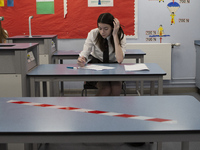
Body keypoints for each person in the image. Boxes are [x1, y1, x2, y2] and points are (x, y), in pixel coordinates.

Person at [77, 12, 126, 96]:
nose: (102, 32)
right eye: (100, 28)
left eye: (106, 28)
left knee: (116, 87)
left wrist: (114, 35)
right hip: (97, 65)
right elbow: (85, 52)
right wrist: (82, 59)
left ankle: (113, 109)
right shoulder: (93, 33)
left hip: (113, 66)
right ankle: (97, 109)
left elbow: (119, 59)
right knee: (105, 88)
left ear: (112, 27)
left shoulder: (120, 35)